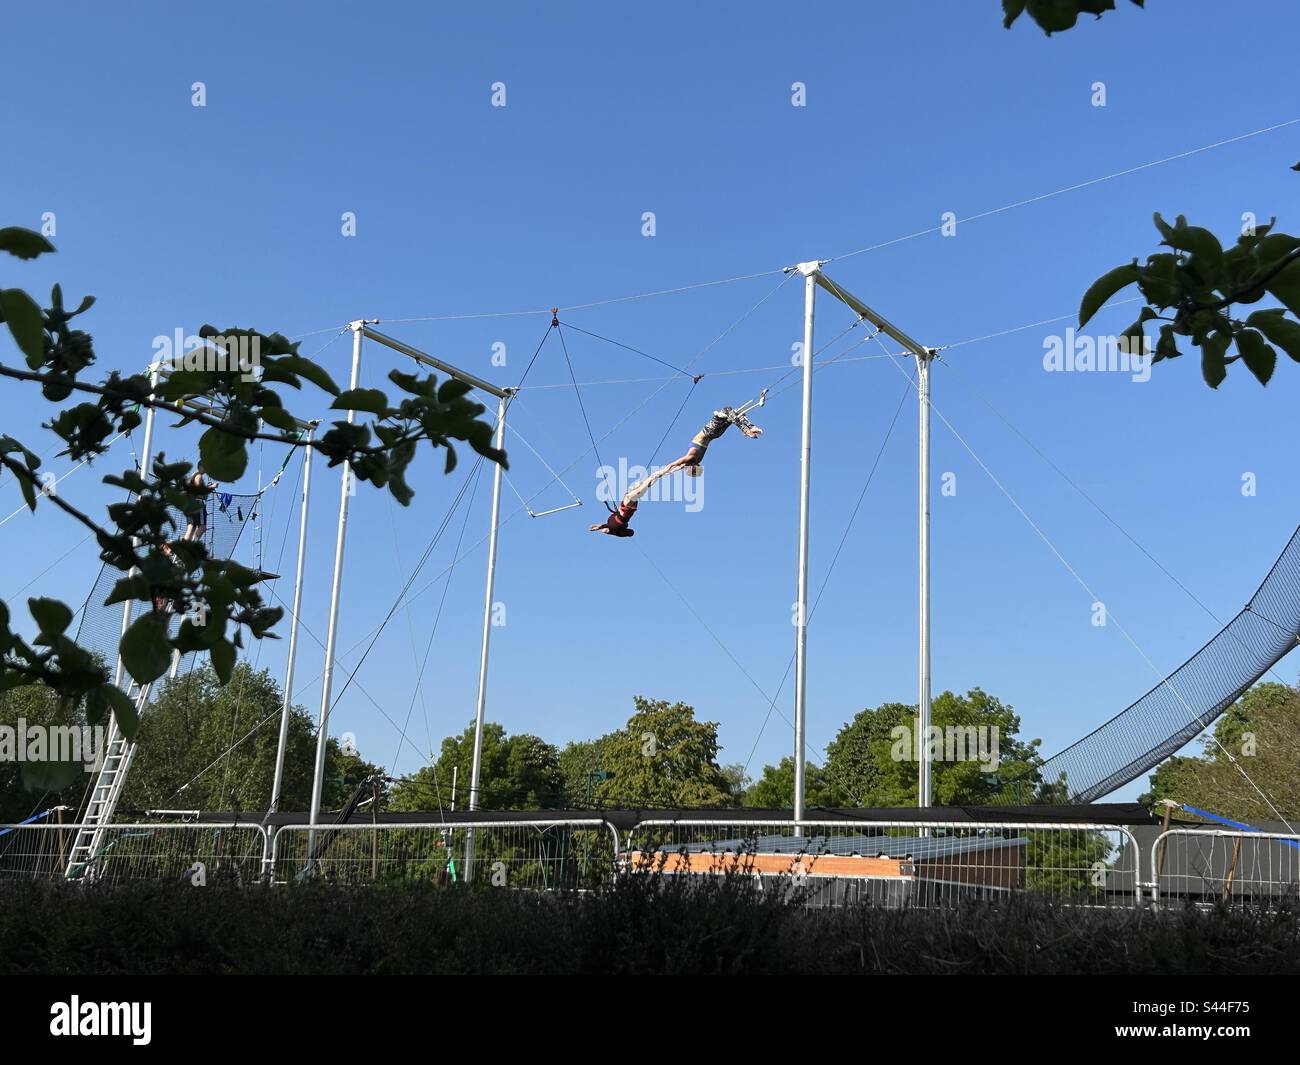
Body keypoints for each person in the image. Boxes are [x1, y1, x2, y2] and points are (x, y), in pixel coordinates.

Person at [663, 406, 762, 477]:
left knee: (733, 414)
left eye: (696, 467)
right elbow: (673, 465)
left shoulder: (693, 460)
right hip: (709, 431)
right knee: (728, 410)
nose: (698, 465)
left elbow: (676, 467)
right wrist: (664, 472)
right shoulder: (690, 457)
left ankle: (750, 428)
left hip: (715, 435)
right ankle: (745, 428)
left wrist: (665, 473)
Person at [588, 467, 672, 538]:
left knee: (638, 491)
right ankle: (656, 475)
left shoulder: (610, 525)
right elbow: (628, 532)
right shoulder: (617, 530)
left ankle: (655, 477)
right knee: (638, 491)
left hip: (624, 509)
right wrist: (601, 528)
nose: (604, 531)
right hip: (625, 512)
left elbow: (606, 527)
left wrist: (599, 527)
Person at [182, 465, 216, 543]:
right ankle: (193, 544)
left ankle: (183, 547)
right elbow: (198, 488)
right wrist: (211, 487)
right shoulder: (198, 475)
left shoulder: (193, 476)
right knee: (202, 526)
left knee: (191, 527)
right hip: (197, 503)